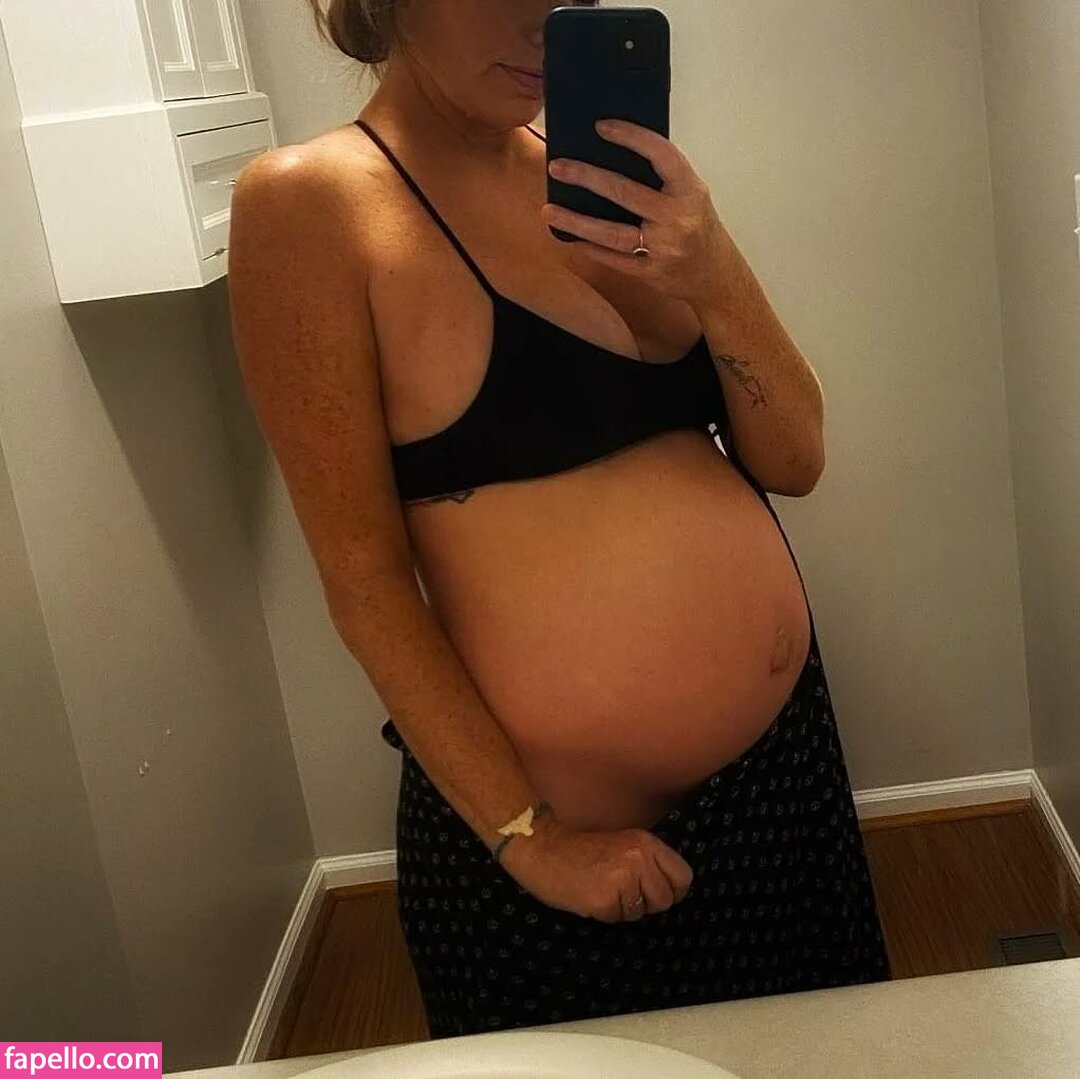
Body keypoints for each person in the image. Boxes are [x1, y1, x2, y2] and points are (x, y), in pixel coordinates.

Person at [227, 0, 892, 1040]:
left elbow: (795, 458)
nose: (544, 20)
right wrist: (529, 839)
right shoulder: (313, 203)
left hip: (779, 775)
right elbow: (362, 578)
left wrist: (715, 269)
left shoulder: (597, 178)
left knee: (825, 1053)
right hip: (565, 838)